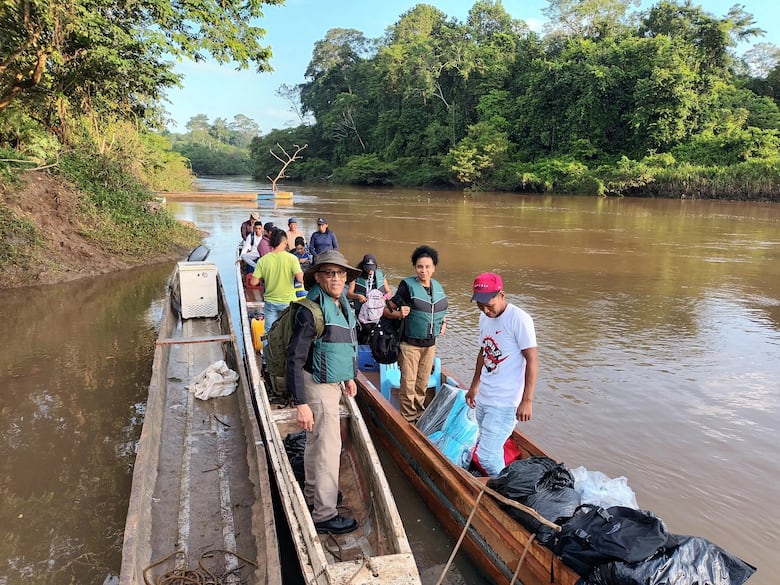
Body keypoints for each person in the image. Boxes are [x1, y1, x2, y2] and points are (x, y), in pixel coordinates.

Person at [286, 250, 361, 534]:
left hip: (333, 383)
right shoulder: (310, 311)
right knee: (330, 450)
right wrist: (301, 403)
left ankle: (312, 493)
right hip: (315, 385)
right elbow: (295, 358)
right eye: (329, 273)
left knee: (316, 444)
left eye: (340, 273)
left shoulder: (341, 303)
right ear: (317, 277)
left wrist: (348, 378)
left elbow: (339, 346)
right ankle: (324, 514)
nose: (336, 278)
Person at [465, 272, 538, 476]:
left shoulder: (519, 319)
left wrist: (527, 400)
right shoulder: (483, 317)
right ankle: (502, 483)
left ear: (502, 295)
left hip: (506, 402)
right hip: (485, 396)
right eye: (480, 305)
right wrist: (474, 386)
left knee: (487, 456)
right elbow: (483, 352)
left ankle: (505, 494)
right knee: (487, 449)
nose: (486, 311)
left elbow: (532, 360)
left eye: (489, 305)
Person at [385, 245, 448, 422]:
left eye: (427, 267)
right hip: (409, 345)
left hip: (430, 345)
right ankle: (408, 418)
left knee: (422, 383)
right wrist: (399, 313)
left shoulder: (437, 287)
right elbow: (387, 309)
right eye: (420, 266)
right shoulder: (407, 286)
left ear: (434, 267)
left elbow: (438, 312)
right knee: (409, 383)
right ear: (415, 267)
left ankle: (419, 413)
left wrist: (443, 322)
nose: (423, 270)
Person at [250, 228, 304, 336]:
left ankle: (266, 352)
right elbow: (300, 279)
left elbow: (253, 282)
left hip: (270, 302)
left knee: (269, 333)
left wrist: (266, 275)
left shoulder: (263, 260)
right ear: (285, 242)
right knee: (288, 332)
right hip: (288, 302)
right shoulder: (292, 259)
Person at [347, 254, 391, 342]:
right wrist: (358, 296)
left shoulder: (380, 275)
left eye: (372, 268)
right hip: (362, 311)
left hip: (377, 311)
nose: (370, 271)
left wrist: (384, 298)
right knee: (363, 332)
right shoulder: (356, 276)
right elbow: (349, 294)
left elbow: (389, 293)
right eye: (367, 268)